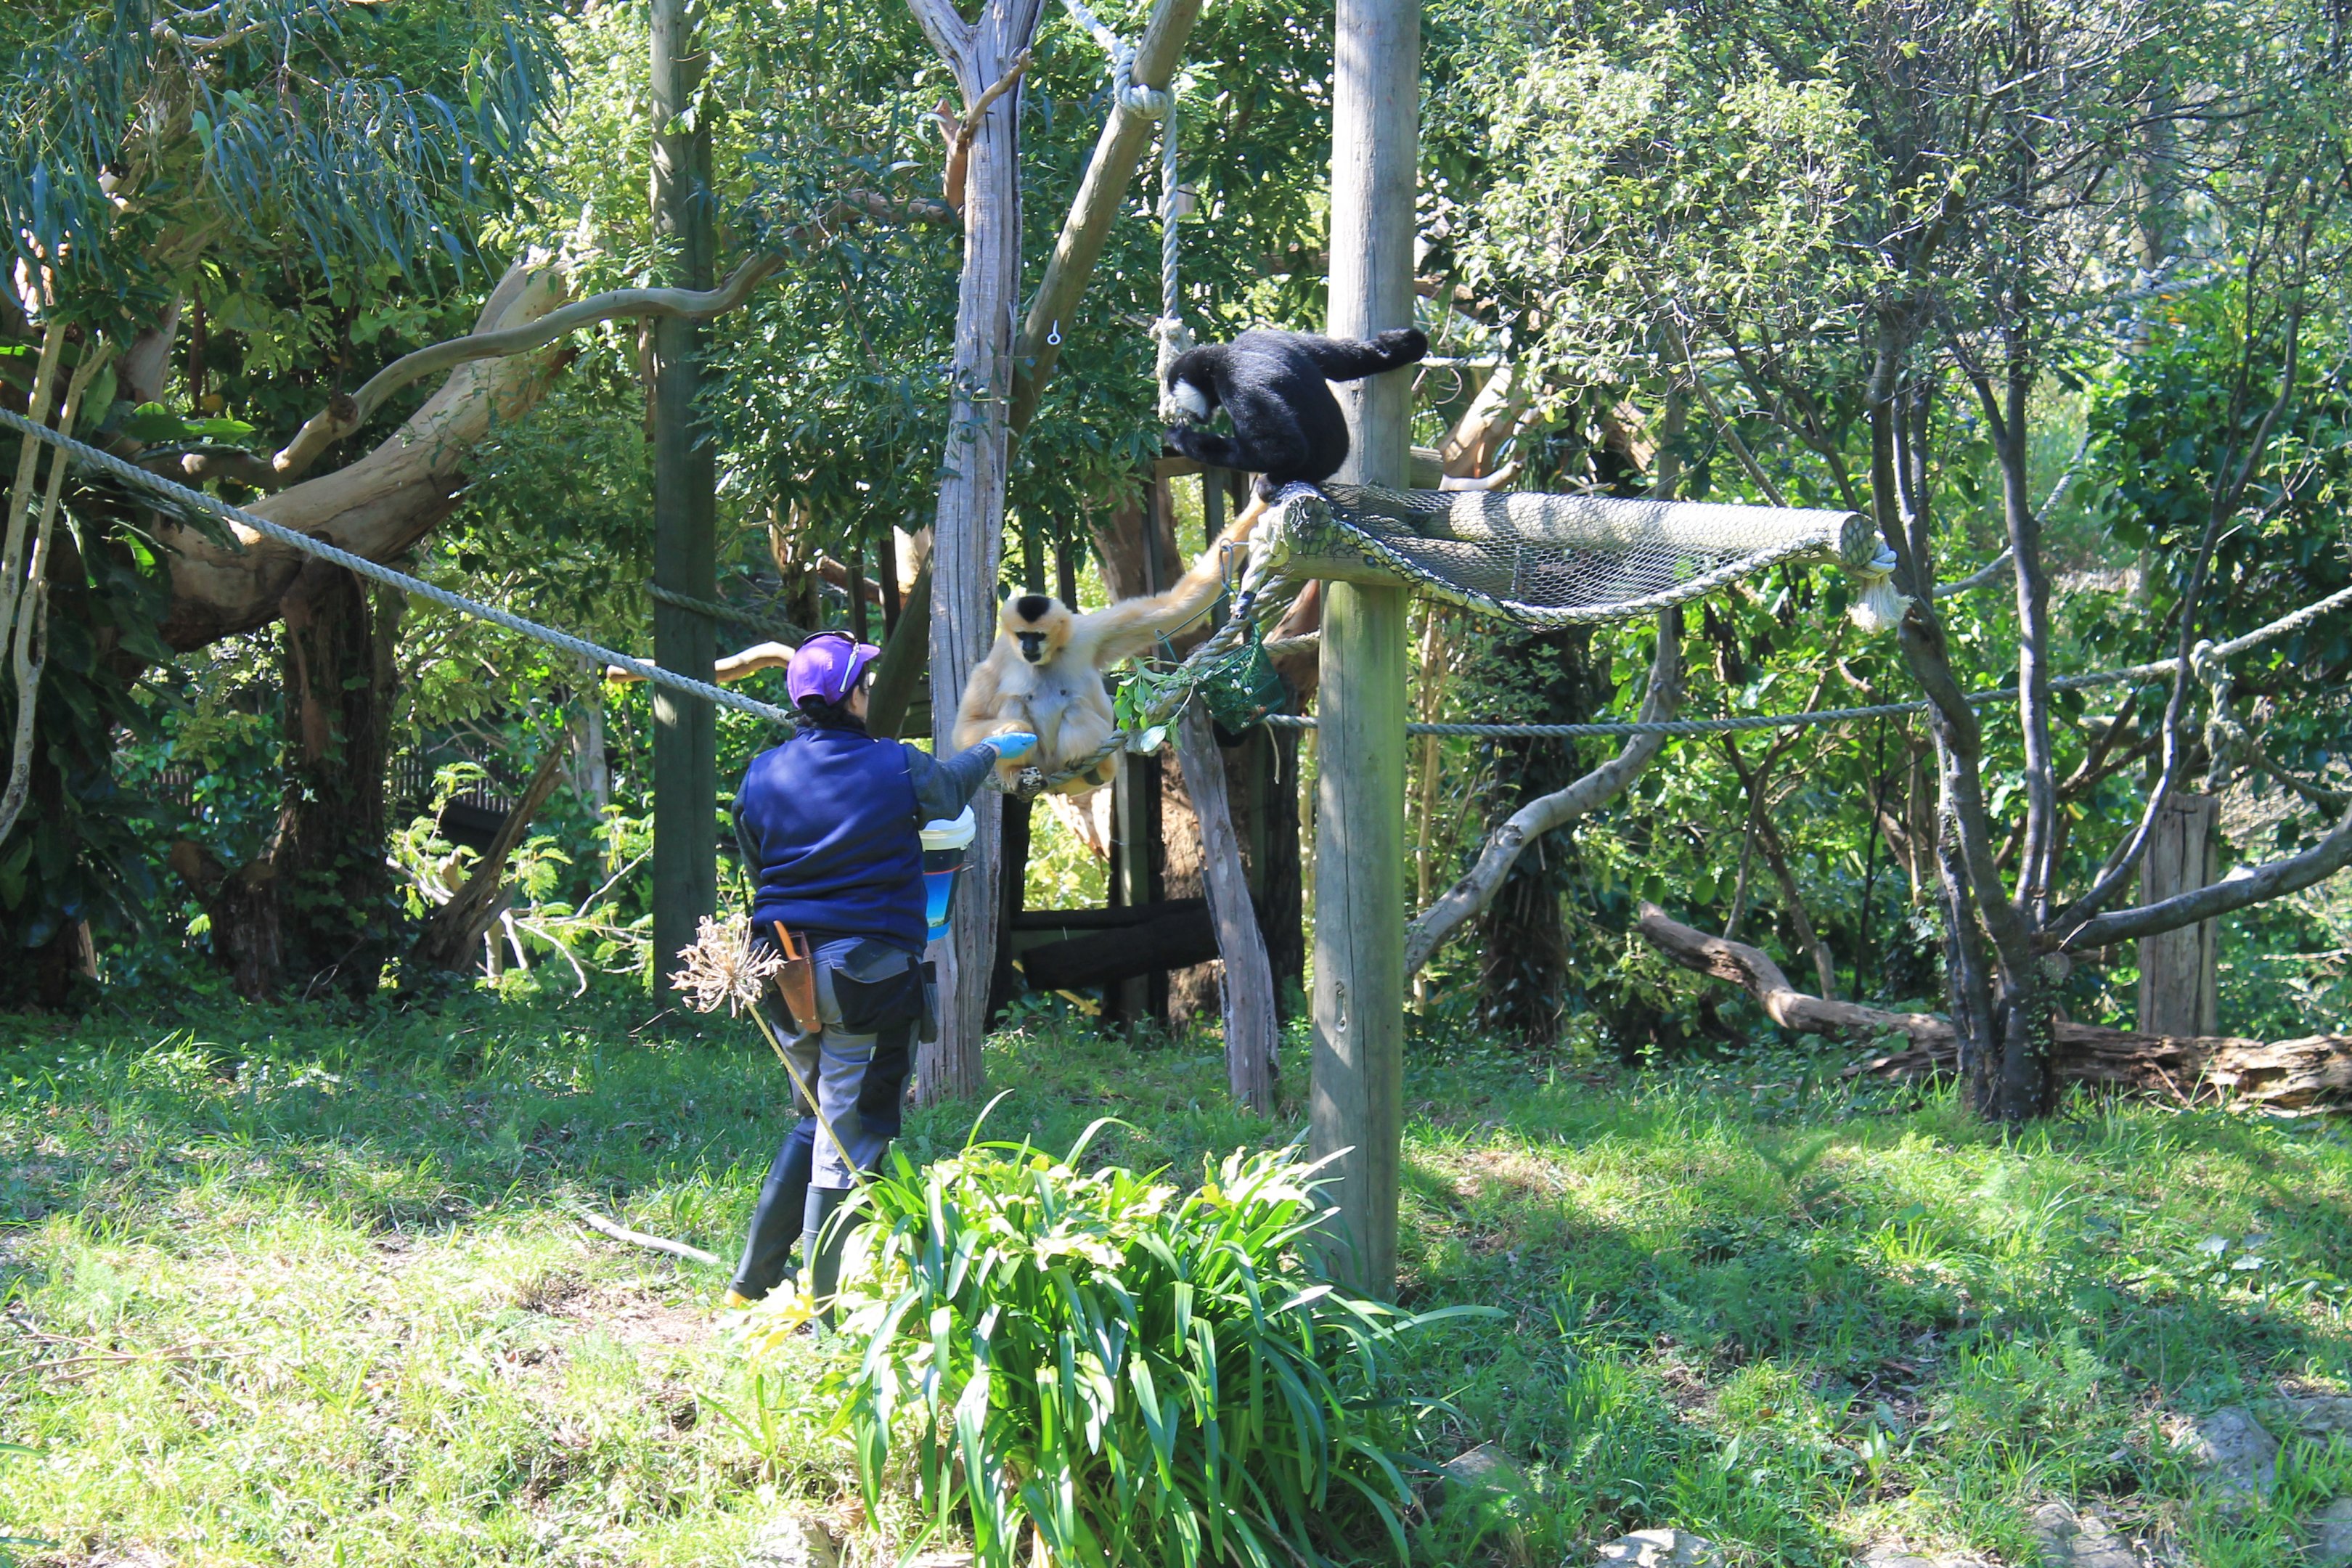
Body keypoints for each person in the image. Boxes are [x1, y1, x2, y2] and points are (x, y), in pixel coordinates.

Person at [723, 631, 1034, 1308]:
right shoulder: (893, 765)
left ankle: (753, 1281)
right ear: (853, 697)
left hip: (785, 970)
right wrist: (992, 748)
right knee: (850, 1134)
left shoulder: (761, 773)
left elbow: (759, 865)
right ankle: (826, 1313)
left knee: (817, 1119)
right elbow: (949, 793)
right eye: (865, 683)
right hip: (868, 977)